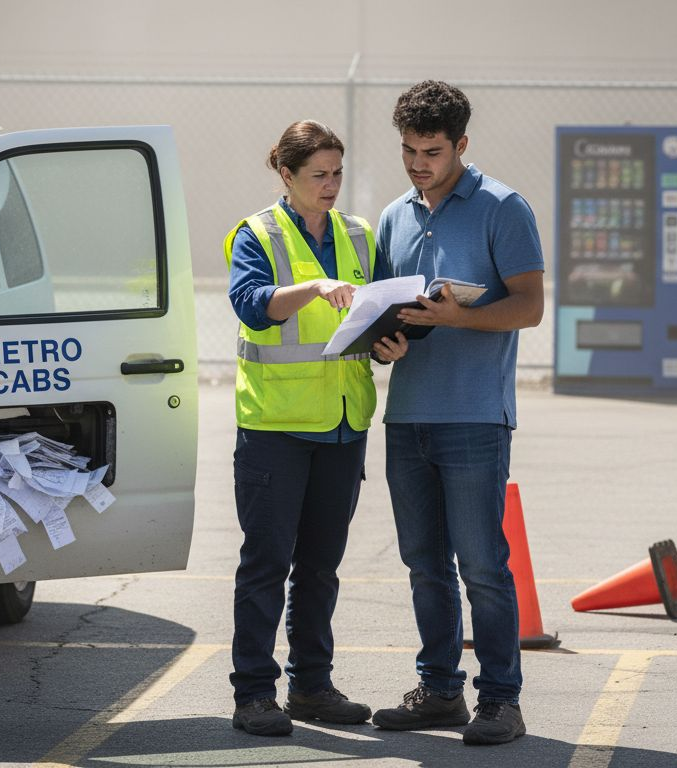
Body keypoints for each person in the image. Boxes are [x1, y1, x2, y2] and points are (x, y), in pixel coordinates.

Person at [369, 81, 545, 746]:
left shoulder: (504, 207)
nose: (419, 163)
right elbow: (393, 310)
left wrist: (460, 316)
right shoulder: (394, 216)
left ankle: (500, 700)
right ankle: (440, 692)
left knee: (482, 565)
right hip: (407, 415)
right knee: (423, 564)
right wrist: (382, 344)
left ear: (461, 146)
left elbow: (529, 306)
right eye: (409, 150)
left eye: (433, 151)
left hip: (475, 416)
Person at [224, 120, 406, 737]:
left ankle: (311, 686)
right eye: (317, 175)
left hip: (342, 425)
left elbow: (371, 317)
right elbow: (252, 304)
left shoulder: (358, 234)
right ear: (287, 175)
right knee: (266, 564)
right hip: (275, 428)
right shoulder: (257, 234)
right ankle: (253, 694)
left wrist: (388, 346)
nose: (330, 186)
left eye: (337, 174)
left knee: (320, 567)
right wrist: (312, 288)